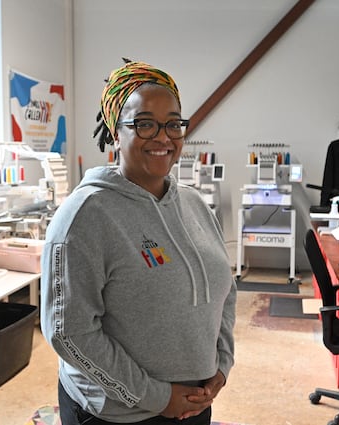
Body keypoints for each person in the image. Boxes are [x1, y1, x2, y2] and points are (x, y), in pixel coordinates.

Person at [40, 59, 237, 425]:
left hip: (195, 403)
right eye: (144, 123)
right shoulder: (86, 217)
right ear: (117, 132)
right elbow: (68, 332)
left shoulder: (195, 205)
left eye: (173, 123)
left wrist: (221, 365)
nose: (163, 136)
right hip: (117, 414)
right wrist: (156, 397)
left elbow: (224, 290)